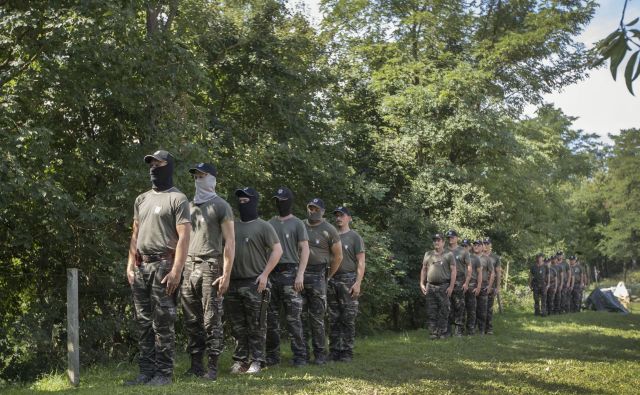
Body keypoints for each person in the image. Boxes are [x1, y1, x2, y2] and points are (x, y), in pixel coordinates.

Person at [125, 150, 191, 386]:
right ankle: (145, 372)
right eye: (150, 163)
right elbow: (135, 234)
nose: (153, 167)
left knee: (163, 321)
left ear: (168, 166)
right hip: (142, 265)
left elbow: (184, 238)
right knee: (143, 322)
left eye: (158, 163)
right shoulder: (141, 199)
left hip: (165, 265)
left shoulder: (178, 199)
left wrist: (177, 270)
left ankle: (163, 374)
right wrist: (130, 265)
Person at [180, 163, 234, 380]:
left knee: (211, 318)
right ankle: (195, 366)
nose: (198, 179)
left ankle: (212, 367)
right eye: (196, 176)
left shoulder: (222, 206)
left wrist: (227, 273)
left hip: (210, 265)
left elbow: (230, 242)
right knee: (191, 319)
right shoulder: (189, 206)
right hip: (188, 265)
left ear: (212, 178)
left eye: (202, 175)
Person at [225, 187, 283, 374]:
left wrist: (265, 274)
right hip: (233, 282)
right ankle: (241, 360)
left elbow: (277, 250)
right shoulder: (232, 226)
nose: (242, 203)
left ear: (254, 201)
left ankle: (258, 360)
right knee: (237, 325)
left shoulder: (264, 226)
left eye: (246, 200)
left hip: (255, 283)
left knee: (257, 324)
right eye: (240, 200)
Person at [265, 187, 310, 367]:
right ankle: (272, 357)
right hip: (272, 274)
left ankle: (300, 357)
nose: (279, 203)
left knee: (293, 319)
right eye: (277, 200)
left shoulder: (298, 223)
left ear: (289, 201)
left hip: (290, 273)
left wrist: (300, 274)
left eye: (282, 200)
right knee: (271, 319)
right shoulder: (269, 223)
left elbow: (305, 249)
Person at [302, 198, 342, 364]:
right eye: (310, 208)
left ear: (323, 211)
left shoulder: (329, 229)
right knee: (299, 316)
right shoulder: (301, 225)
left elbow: (338, 256)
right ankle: (302, 355)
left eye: (316, 208)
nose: (313, 211)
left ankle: (320, 355)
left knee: (317, 318)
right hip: (299, 274)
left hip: (319, 275)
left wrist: (328, 276)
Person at [328, 206, 366, 362]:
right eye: (336, 215)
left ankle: (347, 352)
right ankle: (334, 351)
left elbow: (361, 262)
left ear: (349, 218)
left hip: (348, 280)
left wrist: (358, 283)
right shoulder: (331, 236)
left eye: (342, 215)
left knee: (348, 318)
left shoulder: (354, 237)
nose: (338, 218)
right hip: (332, 280)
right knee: (333, 318)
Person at [420, 233, 456, 339]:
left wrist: (451, 286)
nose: (436, 242)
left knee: (444, 310)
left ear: (443, 242)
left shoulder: (448, 254)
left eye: (438, 240)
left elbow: (453, 271)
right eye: (435, 240)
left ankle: (443, 332)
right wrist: (421, 283)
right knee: (431, 311)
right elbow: (424, 269)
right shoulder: (428, 254)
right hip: (430, 286)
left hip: (444, 286)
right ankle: (433, 333)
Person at [445, 229, 471, 337]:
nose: (450, 239)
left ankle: (458, 330)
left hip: (460, 280)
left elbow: (469, 267)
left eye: (452, 237)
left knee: (459, 306)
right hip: (446, 280)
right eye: (449, 238)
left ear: (457, 238)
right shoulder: (444, 251)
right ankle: (447, 330)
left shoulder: (463, 251)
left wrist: (466, 282)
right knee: (447, 306)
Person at [465, 240, 484, 335]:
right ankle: (459, 329)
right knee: (460, 309)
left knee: (471, 309)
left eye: (466, 246)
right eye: (463, 246)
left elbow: (480, 273)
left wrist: (479, 286)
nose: (465, 248)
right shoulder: (458, 257)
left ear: (469, 247)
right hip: (461, 284)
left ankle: (471, 329)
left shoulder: (475, 258)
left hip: (472, 285)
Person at [476, 240, 494, 335]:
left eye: (478, 245)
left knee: (482, 310)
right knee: (472, 309)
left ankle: (482, 330)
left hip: (483, 286)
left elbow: (492, 273)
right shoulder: (470, 257)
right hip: (472, 286)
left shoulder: (487, 259)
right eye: (475, 245)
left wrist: (489, 286)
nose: (476, 246)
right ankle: (472, 329)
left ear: (482, 247)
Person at [483, 238, 500, 334]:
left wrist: (497, 287)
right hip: (480, 285)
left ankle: (489, 328)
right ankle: (480, 327)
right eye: (484, 243)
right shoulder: (479, 256)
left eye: (487, 243)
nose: (485, 245)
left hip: (491, 285)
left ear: (490, 245)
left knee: (489, 308)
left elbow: (498, 273)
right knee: (479, 308)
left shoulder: (495, 258)